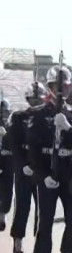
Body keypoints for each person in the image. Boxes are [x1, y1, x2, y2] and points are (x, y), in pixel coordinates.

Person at [26, 66, 72, 253]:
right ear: (50, 87)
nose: (62, 89)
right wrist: (42, 175)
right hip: (48, 169)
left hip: (69, 171)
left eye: (66, 85)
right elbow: (33, 150)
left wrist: (68, 127)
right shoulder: (39, 114)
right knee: (45, 223)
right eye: (58, 86)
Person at [7, 82, 43, 253]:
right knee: (22, 206)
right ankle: (18, 243)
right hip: (24, 168)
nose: (36, 101)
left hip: (41, 169)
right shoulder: (19, 117)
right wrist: (22, 165)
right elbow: (13, 143)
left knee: (42, 211)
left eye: (39, 98)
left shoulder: (46, 117)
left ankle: (39, 242)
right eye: (33, 98)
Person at [0, 97, 13, 233]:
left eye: (5, 112)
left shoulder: (11, 126)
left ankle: (2, 216)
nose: (3, 115)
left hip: (8, 160)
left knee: (7, 190)